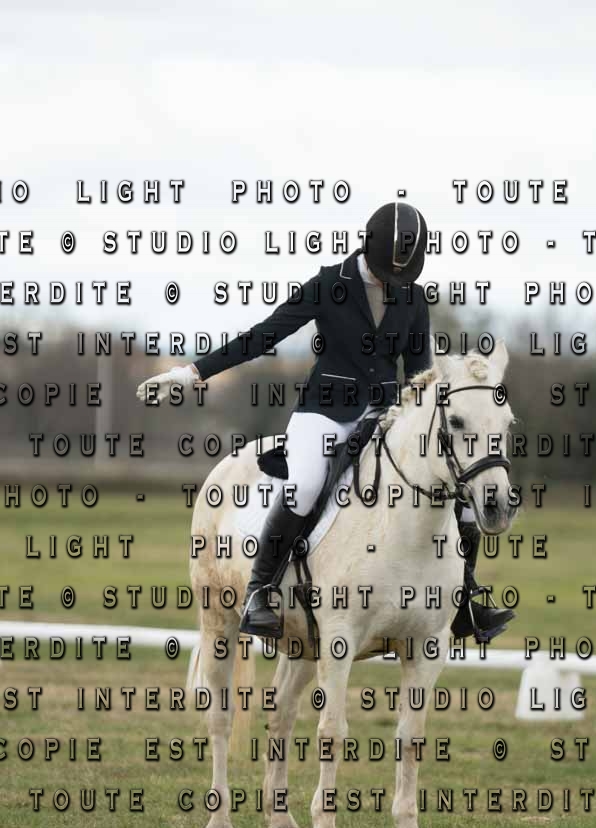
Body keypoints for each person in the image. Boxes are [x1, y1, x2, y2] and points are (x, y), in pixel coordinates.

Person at [137, 202, 513, 642]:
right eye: (387, 275)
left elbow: (419, 374)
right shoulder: (329, 284)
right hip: (325, 411)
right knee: (307, 483)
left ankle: (464, 598)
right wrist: (193, 373)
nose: (393, 284)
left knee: (460, 488)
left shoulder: (413, 297)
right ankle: (260, 592)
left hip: (386, 415)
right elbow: (263, 335)